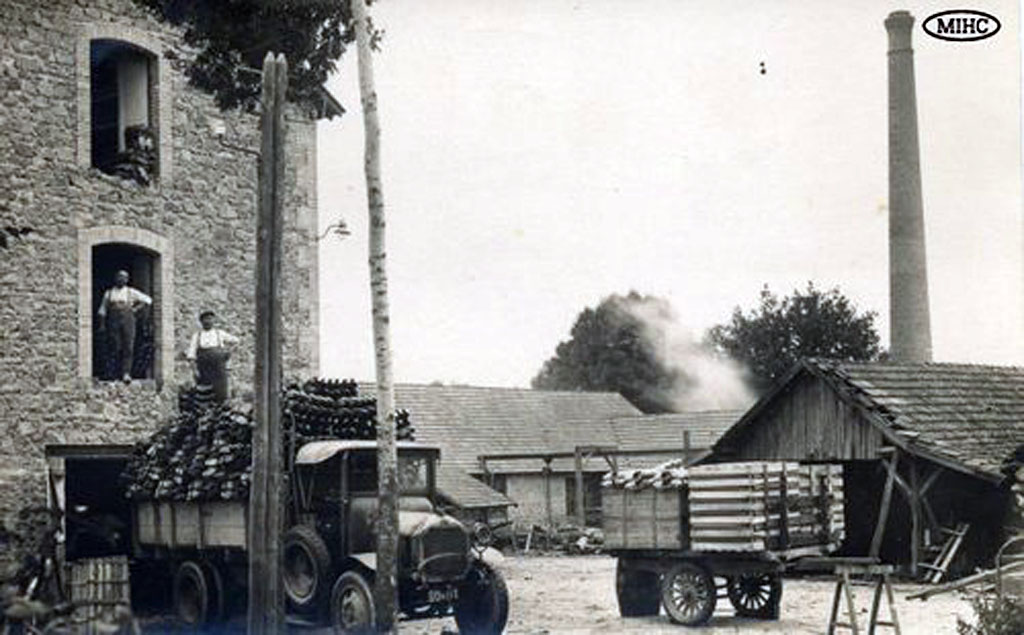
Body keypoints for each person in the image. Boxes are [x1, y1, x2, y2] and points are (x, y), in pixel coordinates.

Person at [97, 270, 152, 383]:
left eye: (124, 277)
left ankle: (126, 373)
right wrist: (102, 325)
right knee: (115, 346)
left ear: (127, 280)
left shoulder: (130, 292)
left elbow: (148, 300)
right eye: (119, 277)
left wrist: (135, 309)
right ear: (115, 278)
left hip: (128, 321)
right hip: (113, 322)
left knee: (128, 346)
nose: (121, 279)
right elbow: (102, 310)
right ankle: (113, 373)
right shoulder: (109, 293)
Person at [186, 310, 240, 402]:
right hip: (204, 368)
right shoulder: (197, 336)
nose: (208, 321)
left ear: (214, 321)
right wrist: (194, 370)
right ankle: (205, 412)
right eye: (205, 319)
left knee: (221, 391)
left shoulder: (220, 333)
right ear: (201, 322)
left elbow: (236, 341)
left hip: (219, 368)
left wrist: (229, 352)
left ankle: (221, 409)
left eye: (210, 319)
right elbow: (191, 354)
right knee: (204, 392)